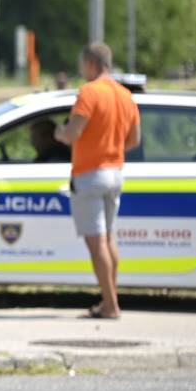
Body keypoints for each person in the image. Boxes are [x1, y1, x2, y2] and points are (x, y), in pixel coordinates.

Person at [54, 43, 141, 320]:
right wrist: (111, 147)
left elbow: (73, 133)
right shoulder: (125, 95)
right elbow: (134, 140)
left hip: (90, 174)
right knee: (109, 238)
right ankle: (109, 301)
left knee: (96, 243)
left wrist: (59, 133)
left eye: (83, 65)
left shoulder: (89, 92)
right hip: (115, 172)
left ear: (91, 63)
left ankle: (111, 305)